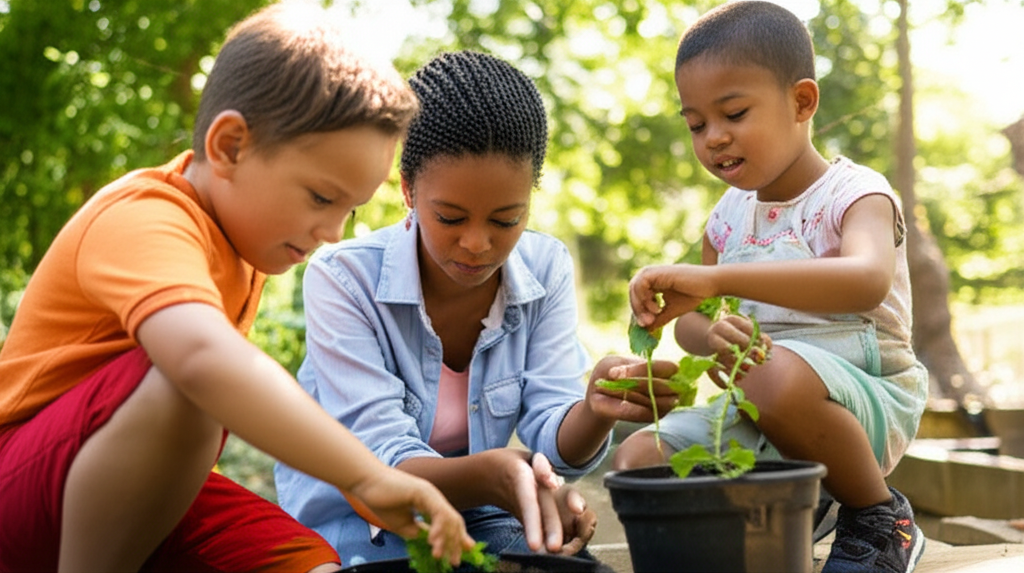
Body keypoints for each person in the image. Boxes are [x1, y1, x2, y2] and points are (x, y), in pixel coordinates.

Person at [0, 4, 474, 571]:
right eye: (322, 198)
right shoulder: (146, 217)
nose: (331, 233)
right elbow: (202, 363)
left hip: (141, 495)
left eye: (351, 210)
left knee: (310, 562)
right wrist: (366, 474)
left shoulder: (245, 244)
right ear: (230, 146)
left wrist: (372, 487)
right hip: (23, 492)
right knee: (186, 386)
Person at [275, 50, 678, 565]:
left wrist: (595, 410)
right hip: (357, 525)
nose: (477, 244)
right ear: (407, 190)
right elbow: (378, 467)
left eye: (506, 221)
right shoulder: (344, 279)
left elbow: (555, 441)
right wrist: (504, 475)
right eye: (450, 217)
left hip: (475, 514)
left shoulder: (544, 267)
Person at [616, 3, 929, 573]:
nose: (713, 138)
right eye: (695, 124)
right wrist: (706, 330)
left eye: (733, 113)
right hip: (755, 405)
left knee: (773, 376)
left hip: (863, 398)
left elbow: (865, 281)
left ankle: (880, 516)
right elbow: (694, 322)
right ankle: (780, 515)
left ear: (801, 102)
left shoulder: (856, 194)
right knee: (640, 459)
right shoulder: (728, 218)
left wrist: (717, 279)